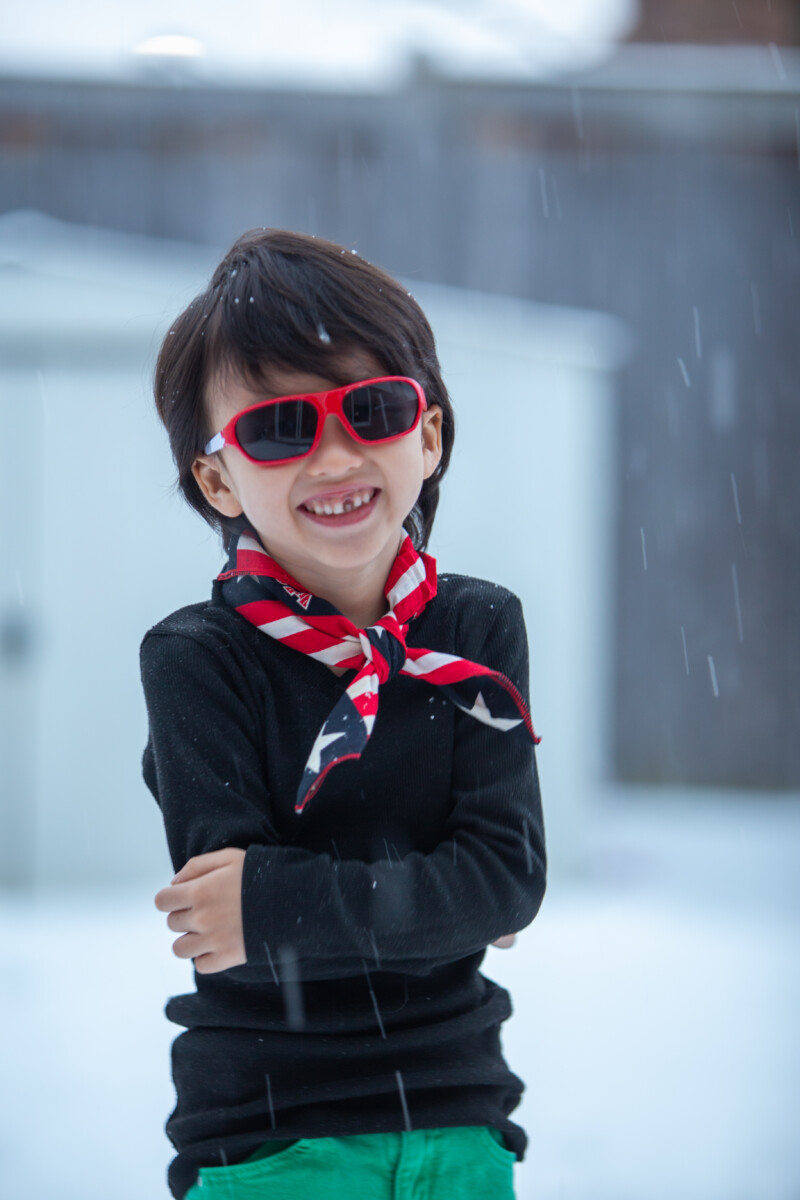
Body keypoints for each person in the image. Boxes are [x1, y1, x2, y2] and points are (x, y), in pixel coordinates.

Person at [141, 228, 546, 1200]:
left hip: (459, 1117)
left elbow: (505, 880)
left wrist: (280, 904)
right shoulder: (197, 657)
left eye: (371, 410)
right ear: (217, 478)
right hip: (271, 1136)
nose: (333, 454)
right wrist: (429, 900)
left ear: (429, 435)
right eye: (279, 427)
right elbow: (218, 918)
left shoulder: (477, 628)